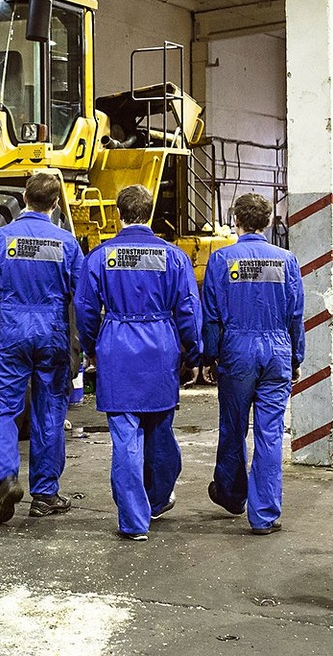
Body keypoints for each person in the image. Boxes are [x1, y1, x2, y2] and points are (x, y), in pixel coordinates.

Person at [73, 184, 201, 541]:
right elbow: (188, 309)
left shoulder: (99, 257)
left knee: (126, 437)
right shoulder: (174, 257)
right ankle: (157, 500)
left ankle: (133, 521)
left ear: (118, 214)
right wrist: (193, 353)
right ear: (151, 212)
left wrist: (91, 347)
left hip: (116, 345)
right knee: (161, 431)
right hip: (161, 347)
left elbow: (85, 310)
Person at [0, 172, 84, 524]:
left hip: (12, 331)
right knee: (49, 413)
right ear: (55, 204)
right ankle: (45, 496)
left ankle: (7, 478)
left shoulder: (0, 239)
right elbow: (83, 298)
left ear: (23, 197)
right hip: (52, 333)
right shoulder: (67, 243)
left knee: (2, 410)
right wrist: (84, 344)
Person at [200, 192, 305, 536]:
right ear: (269, 223)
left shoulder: (221, 260)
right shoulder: (286, 260)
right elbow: (295, 314)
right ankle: (264, 515)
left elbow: (212, 315)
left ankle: (231, 495)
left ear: (236, 222)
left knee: (233, 427)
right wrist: (296, 357)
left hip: (237, 350)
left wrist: (212, 355)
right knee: (270, 434)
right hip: (277, 349)